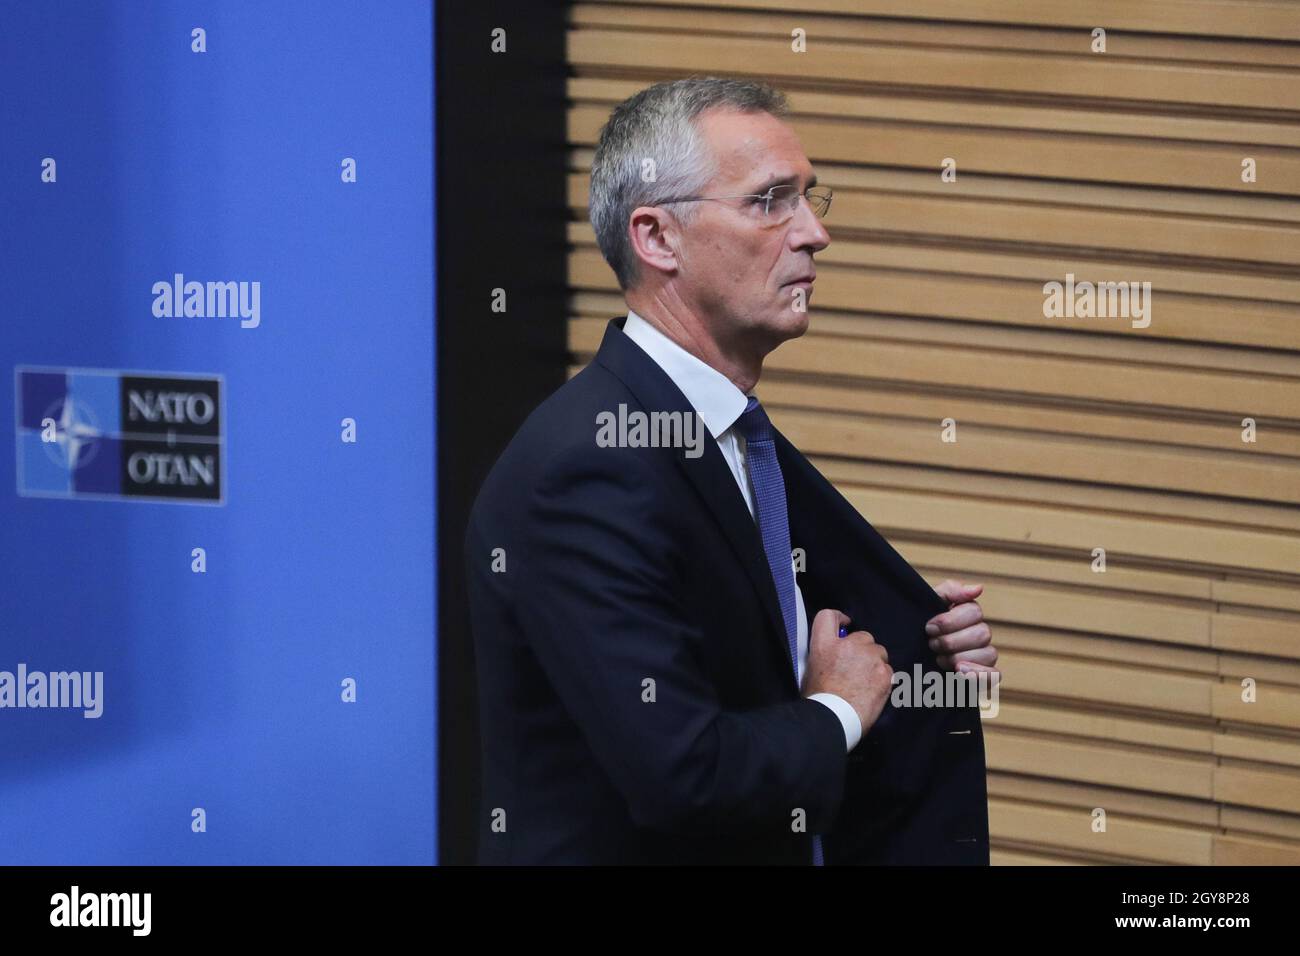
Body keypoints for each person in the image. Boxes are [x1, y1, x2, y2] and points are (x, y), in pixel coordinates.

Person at [466, 76, 997, 865]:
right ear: (657, 238)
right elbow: (682, 772)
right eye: (770, 201)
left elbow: (767, 664)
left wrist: (927, 660)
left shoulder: (729, 436)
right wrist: (839, 711)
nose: (814, 233)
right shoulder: (584, 471)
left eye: (812, 198)